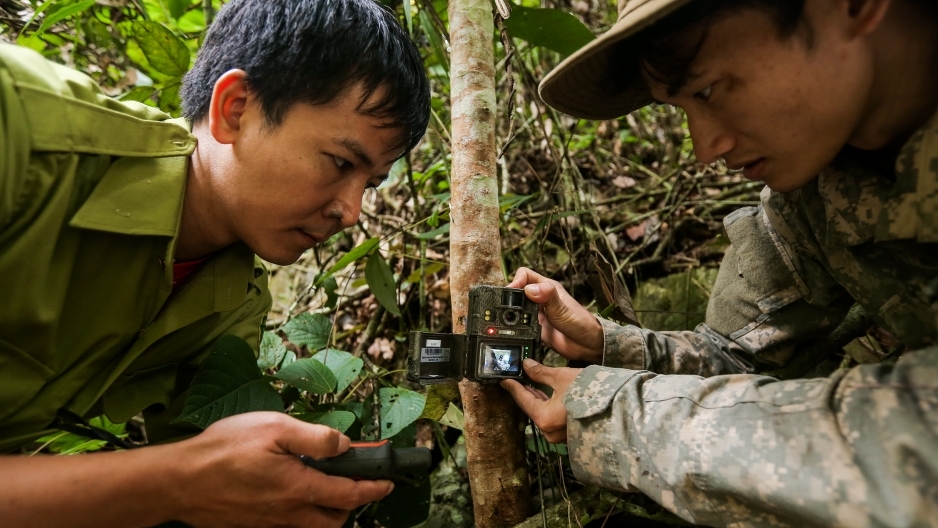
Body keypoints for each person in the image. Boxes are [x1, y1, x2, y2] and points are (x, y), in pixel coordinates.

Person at [500, 0, 938, 526]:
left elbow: (916, 448)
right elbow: (736, 353)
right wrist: (606, 342)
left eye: (707, 89)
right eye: (680, 108)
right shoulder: (815, 188)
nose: (704, 147)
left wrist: (617, 415)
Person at [0, 0, 429, 526]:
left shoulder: (233, 302)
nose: (351, 212)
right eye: (341, 163)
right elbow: (187, 477)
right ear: (236, 108)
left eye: (371, 182)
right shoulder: (23, 131)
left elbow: (217, 478)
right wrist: (172, 481)